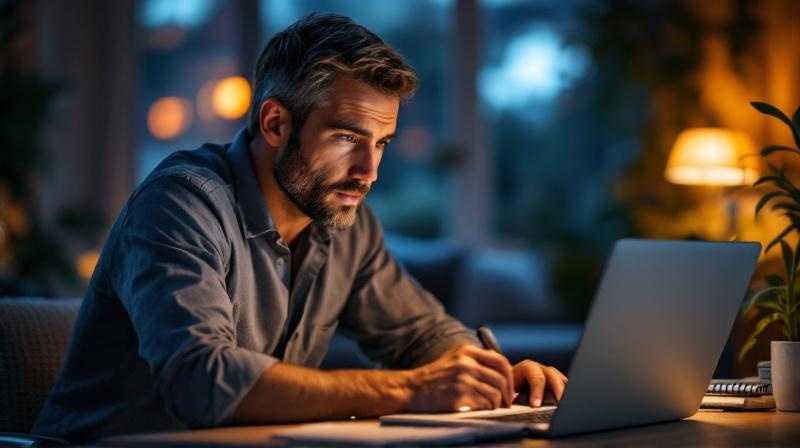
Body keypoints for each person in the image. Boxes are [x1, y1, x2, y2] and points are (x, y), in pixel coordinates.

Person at [33, 13, 566, 443]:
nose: (369, 171)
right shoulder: (181, 204)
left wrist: (487, 372)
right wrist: (406, 391)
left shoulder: (345, 222)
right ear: (274, 123)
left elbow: (421, 335)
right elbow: (202, 381)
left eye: (381, 143)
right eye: (346, 138)